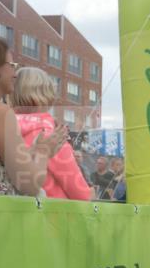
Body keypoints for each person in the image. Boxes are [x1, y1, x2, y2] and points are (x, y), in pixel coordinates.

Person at [0, 34, 66, 195]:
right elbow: (28, 184)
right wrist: (43, 152)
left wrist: (32, 152)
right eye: (11, 65)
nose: (15, 73)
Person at [11, 67, 91, 201]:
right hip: (50, 215)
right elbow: (80, 193)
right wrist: (91, 194)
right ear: (47, 94)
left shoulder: (3, 129)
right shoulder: (50, 136)